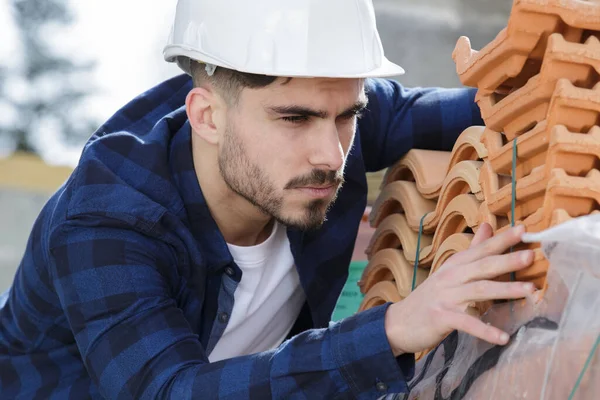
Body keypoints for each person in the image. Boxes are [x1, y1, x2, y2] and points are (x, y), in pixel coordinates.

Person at [0, 0, 535, 398]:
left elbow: (506, 103)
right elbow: (168, 392)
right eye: (295, 120)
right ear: (206, 116)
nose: (330, 154)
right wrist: (395, 327)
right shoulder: (108, 219)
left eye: (347, 116)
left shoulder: (322, 113)